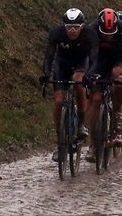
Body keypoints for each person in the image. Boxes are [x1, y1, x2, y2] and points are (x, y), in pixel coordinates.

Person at [40, 8, 93, 162]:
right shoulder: (57, 33)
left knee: (78, 82)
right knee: (58, 101)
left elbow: (94, 57)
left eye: (76, 27)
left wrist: (90, 74)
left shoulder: (89, 34)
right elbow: (49, 56)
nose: (72, 30)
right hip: (62, 65)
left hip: (81, 63)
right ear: (64, 26)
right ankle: (60, 143)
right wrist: (46, 73)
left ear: (82, 26)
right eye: (69, 27)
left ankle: (81, 123)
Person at [85, 8, 122, 160]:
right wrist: (89, 75)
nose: (108, 35)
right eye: (105, 32)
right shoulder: (91, 30)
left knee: (117, 82)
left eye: (111, 33)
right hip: (98, 61)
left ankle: (118, 120)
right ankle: (93, 144)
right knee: (96, 99)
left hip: (116, 59)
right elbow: (86, 57)